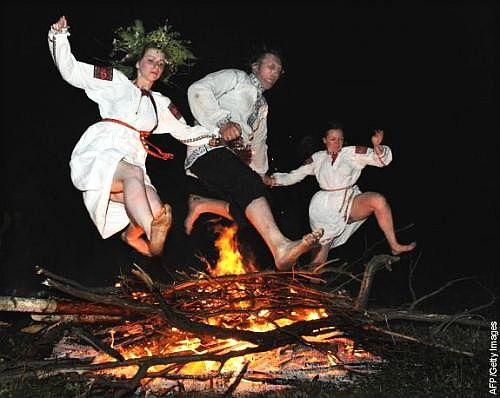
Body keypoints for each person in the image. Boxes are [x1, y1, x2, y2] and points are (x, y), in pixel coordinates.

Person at [48, 16, 218, 257]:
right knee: (135, 176)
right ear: (138, 63)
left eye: (161, 63)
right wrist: (59, 36)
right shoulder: (115, 81)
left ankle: (137, 237)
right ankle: (152, 235)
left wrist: (217, 136)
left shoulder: (161, 104)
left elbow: (187, 133)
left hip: (133, 158)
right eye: (151, 60)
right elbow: (72, 71)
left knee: (156, 204)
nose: (156, 66)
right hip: (103, 151)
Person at [267, 123, 416, 265]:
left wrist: (377, 147)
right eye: (333, 139)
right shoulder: (317, 158)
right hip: (323, 210)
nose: (337, 143)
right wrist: (272, 180)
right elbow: (295, 175)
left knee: (378, 200)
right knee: (318, 260)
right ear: (324, 140)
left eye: (340, 139)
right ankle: (311, 283)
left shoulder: (351, 153)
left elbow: (380, 160)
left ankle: (394, 245)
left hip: (349, 200)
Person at [183, 48, 284, 234]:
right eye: (271, 67)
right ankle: (280, 247)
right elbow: (198, 89)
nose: (275, 73)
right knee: (250, 188)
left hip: (233, 158)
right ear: (255, 66)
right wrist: (222, 122)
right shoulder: (237, 78)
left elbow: (259, 141)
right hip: (209, 147)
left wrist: (261, 173)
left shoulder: (263, 106)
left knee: (263, 203)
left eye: (279, 71)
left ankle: (202, 204)